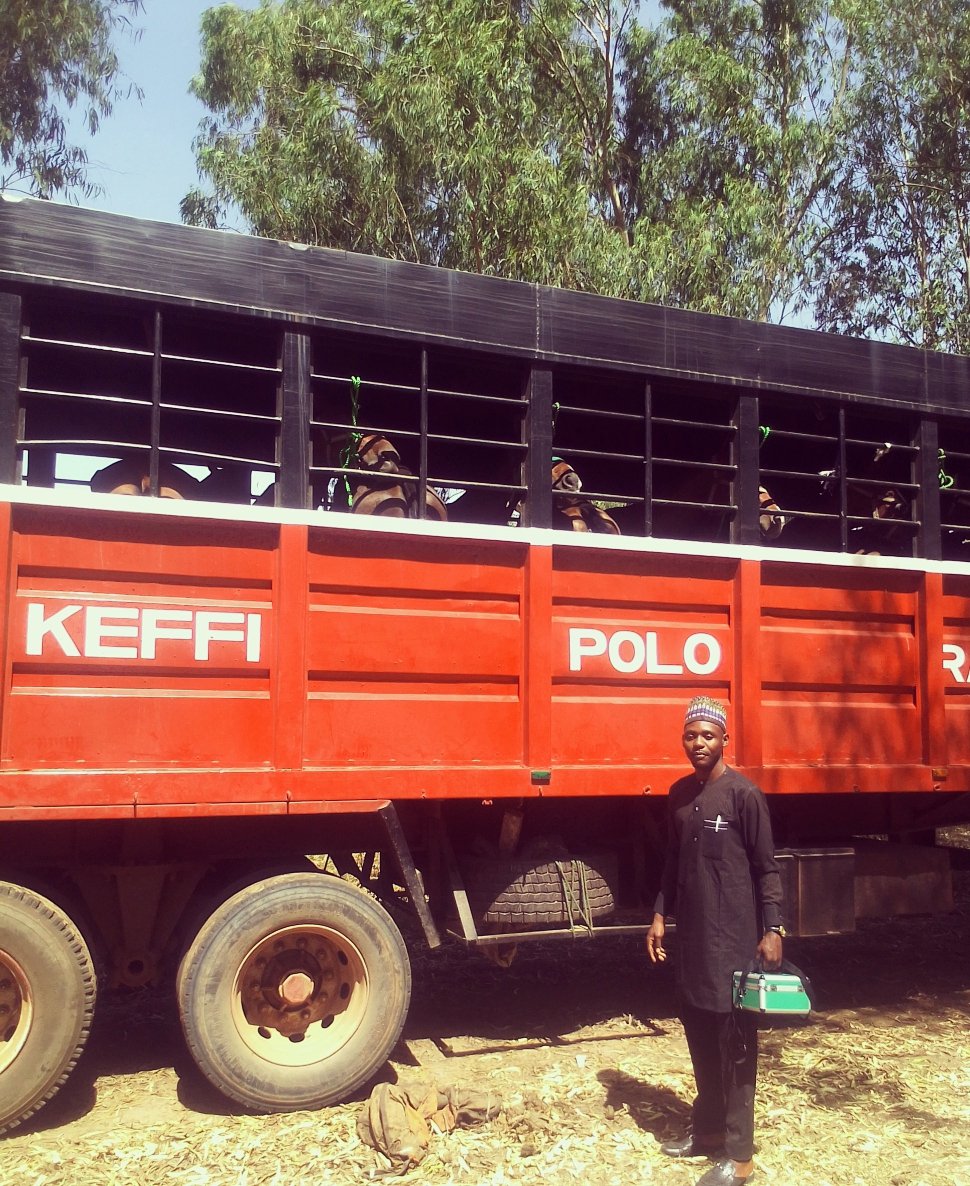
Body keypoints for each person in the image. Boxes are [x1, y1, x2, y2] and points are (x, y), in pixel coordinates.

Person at [646, 696, 785, 1186]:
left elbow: (766, 866)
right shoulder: (679, 796)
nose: (699, 743)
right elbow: (671, 861)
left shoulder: (744, 796)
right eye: (691, 735)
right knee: (699, 1034)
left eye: (708, 735)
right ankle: (706, 1133)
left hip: (735, 944)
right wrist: (661, 913)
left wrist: (773, 928)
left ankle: (740, 1155)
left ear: (726, 739)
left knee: (736, 1046)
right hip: (693, 944)